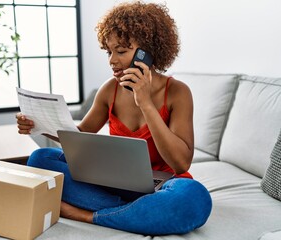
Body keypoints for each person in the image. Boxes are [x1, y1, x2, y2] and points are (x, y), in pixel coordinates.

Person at [16, 1, 212, 236]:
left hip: (161, 188)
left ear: (147, 52)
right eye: (109, 51)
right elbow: (78, 137)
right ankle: (135, 214)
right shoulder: (110, 90)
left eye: (121, 51)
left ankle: (84, 214)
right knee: (41, 158)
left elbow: (181, 163)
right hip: (111, 183)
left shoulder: (178, 92)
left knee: (194, 199)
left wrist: (146, 104)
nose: (112, 60)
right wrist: (39, 126)